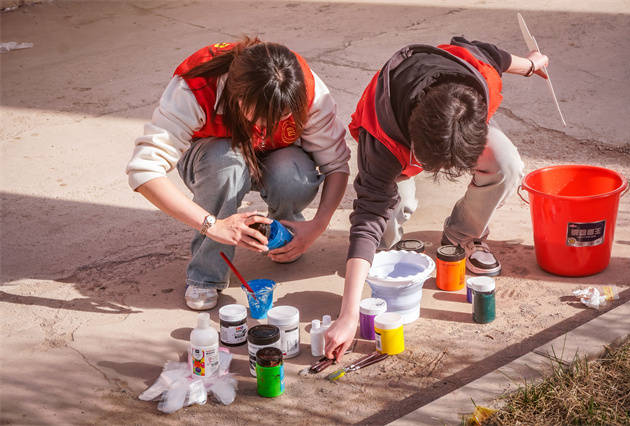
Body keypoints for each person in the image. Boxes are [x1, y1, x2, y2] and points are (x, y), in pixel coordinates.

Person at [324, 37, 549, 360]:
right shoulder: (382, 140)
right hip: (394, 133)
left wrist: (531, 65)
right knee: (384, 235)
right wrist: (348, 315)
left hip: (453, 115)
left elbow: (495, 55)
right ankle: (391, 251)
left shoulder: (479, 73)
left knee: (506, 163)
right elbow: (367, 217)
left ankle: (463, 236)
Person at [126, 38, 350, 310]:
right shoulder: (195, 88)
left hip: (278, 156)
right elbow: (143, 171)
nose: (272, 125)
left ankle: (284, 233)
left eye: (282, 117)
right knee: (227, 165)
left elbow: (336, 164)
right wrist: (214, 225)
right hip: (213, 157)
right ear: (237, 96)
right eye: (263, 118)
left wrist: (318, 226)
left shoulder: (309, 89)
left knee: (293, 174)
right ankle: (206, 274)